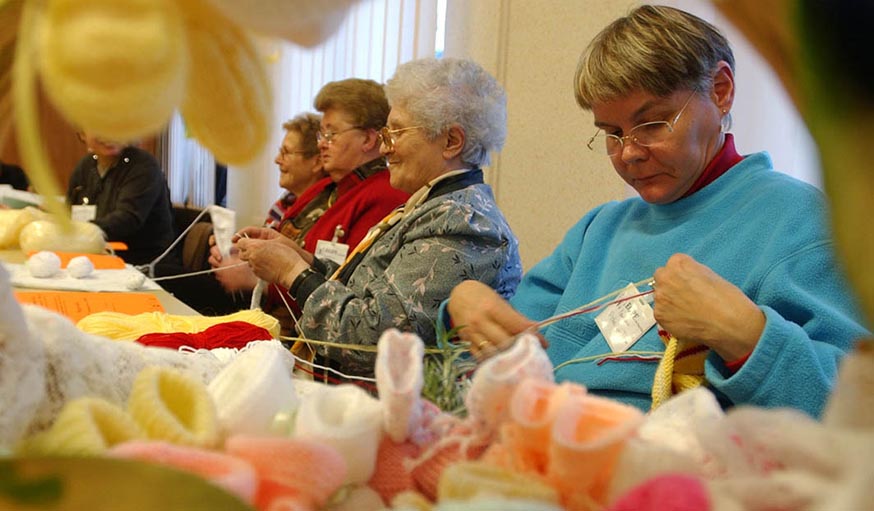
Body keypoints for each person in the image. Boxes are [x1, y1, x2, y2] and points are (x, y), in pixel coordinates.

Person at [444, 5, 869, 418]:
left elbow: (857, 409)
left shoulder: (804, 221)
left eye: (651, 124)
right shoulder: (600, 231)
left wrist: (748, 338)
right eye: (612, 133)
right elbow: (495, 361)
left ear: (720, 91)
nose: (629, 153)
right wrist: (464, 311)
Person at [237, 57, 523, 377]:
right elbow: (374, 292)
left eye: (397, 132)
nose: (385, 148)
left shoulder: (463, 224)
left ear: (451, 141)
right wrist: (304, 259)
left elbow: (373, 340)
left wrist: (292, 272)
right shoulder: (434, 205)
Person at [210, 113, 328, 295]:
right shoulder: (283, 204)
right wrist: (232, 252)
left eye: (286, 153)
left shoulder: (326, 212)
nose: (277, 160)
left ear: (317, 162)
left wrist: (244, 274)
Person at [66, 132, 177, 267]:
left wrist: (77, 231)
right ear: (82, 133)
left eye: (115, 126)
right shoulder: (85, 166)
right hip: (95, 259)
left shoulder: (143, 165)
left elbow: (126, 219)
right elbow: (69, 213)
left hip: (142, 267)